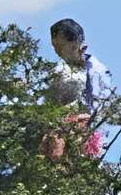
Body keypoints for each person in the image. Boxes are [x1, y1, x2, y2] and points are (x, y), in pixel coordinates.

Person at [40, 17, 114, 162]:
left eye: (60, 46)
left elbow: (98, 113)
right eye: (54, 47)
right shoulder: (59, 70)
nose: (57, 51)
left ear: (74, 43)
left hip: (83, 141)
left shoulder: (96, 71)